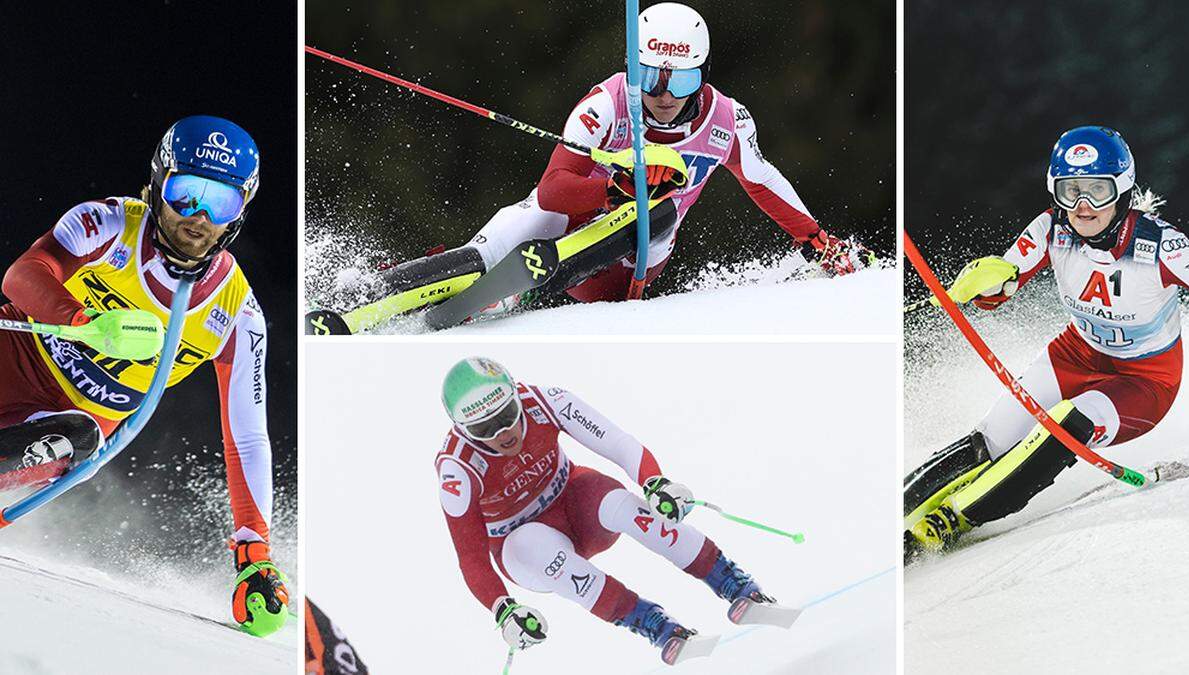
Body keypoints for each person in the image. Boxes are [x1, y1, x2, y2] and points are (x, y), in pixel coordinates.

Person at [310, 2, 870, 333]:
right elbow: (553, 192)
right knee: (484, 253)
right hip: (566, 223)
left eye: (680, 81)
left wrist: (818, 241)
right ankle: (357, 305)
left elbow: (763, 180)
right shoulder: (606, 104)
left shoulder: (726, 120)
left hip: (628, 260)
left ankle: (533, 277)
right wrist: (613, 185)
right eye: (652, 77)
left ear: (700, 74)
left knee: (659, 207)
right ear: (636, 67)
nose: (664, 95)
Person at [0, 115, 289, 635]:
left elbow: (246, 437)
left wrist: (255, 554)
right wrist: (83, 324)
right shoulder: (110, 225)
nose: (197, 217)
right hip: (9, 358)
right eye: (185, 193)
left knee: (78, 437)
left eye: (220, 203)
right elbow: (23, 274)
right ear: (158, 183)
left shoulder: (238, 316)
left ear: (240, 211)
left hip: (55, 429)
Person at [904, 125, 1189, 561]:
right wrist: (987, 282)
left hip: (1144, 381)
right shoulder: (1050, 227)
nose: (1082, 206)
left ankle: (955, 519)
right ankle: (903, 500)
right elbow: (1002, 284)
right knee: (993, 438)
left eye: (1097, 190)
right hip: (1074, 355)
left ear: (1121, 187)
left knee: (1067, 424)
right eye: (1070, 190)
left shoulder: (1163, 246)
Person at [435, 357, 796, 666]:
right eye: (484, 429)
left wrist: (655, 483)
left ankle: (737, 586)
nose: (503, 433)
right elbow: (471, 557)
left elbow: (618, 442)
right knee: (531, 543)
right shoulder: (457, 468)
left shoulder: (544, 401)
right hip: (523, 549)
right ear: (462, 430)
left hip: (577, 505)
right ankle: (659, 628)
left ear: (516, 395)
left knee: (620, 503)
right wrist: (504, 609)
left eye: (507, 415)